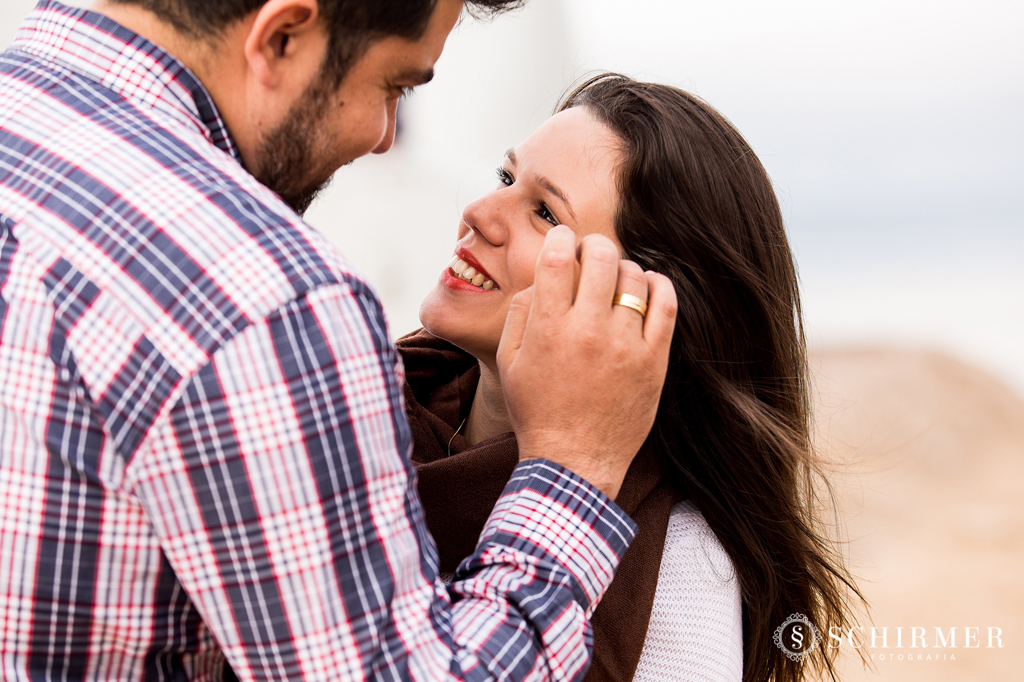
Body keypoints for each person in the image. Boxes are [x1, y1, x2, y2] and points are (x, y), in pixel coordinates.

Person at [0, 0, 678, 680]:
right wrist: (576, 470)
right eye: (393, 87)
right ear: (282, 36)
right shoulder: (263, 299)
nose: (384, 136)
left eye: (541, 209)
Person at [402, 74, 863, 682]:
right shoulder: (353, 409)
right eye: (505, 178)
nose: (480, 213)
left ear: (638, 307)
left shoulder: (682, 565)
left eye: (544, 212)